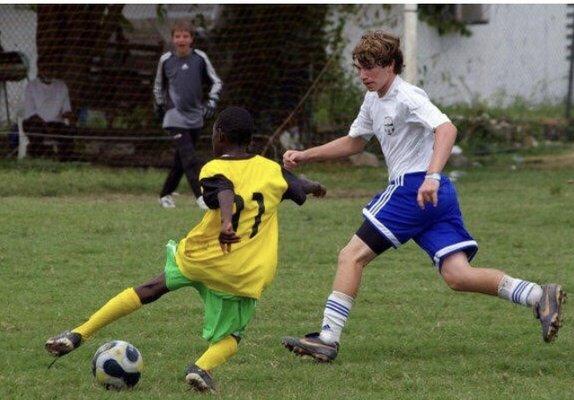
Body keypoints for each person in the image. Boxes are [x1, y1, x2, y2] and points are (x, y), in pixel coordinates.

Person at [281, 31, 566, 363]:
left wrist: (429, 176)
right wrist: (307, 155)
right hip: (435, 195)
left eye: (370, 68)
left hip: (416, 187)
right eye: (360, 68)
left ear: (390, 65)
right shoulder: (373, 99)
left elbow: (446, 129)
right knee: (457, 275)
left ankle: (327, 337)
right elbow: (356, 141)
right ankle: (538, 295)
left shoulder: (407, 95)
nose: (363, 75)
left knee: (351, 256)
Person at [45, 106, 326, 392]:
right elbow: (300, 185)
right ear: (251, 140)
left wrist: (227, 222)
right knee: (232, 338)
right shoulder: (273, 170)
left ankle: (78, 334)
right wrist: (316, 187)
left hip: (202, 256)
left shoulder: (214, 168)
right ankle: (201, 368)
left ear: (220, 136)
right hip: (242, 271)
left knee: (150, 289)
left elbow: (225, 191)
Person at [154, 19, 223, 209]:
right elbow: (159, 86)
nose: (181, 40)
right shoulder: (166, 60)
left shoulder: (200, 58)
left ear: (192, 39)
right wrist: (160, 106)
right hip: (174, 116)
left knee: (181, 159)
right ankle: (201, 197)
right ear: (172, 39)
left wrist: (211, 102)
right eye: (177, 36)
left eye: (185, 36)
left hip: (195, 117)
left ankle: (165, 195)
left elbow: (216, 82)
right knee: (190, 157)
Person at [23, 60, 76, 161]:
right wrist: (46, 127)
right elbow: (30, 113)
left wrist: (72, 120)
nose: (49, 71)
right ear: (40, 70)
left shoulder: (61, 85)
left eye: (52, 69)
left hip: (55, 124)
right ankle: (37, 159)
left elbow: (66, 110)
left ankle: (65, 162)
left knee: (68, 133)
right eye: (46, 69)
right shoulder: (31, 86)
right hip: (35, 122)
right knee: (35, 131)